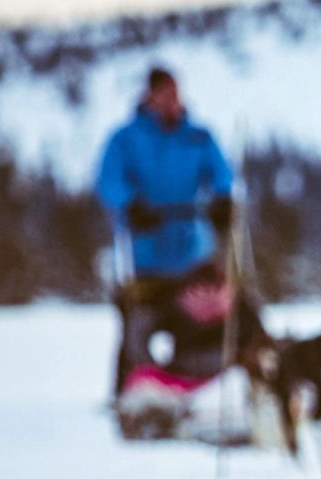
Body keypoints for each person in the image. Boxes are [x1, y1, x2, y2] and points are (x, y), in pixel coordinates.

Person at [94, 67, 239, 400]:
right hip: (145, 255)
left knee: (199, 320)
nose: (172, 101)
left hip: (191, 252)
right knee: (137, 324)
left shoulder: (198, 137)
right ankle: (129, 391)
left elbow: (222, 173)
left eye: (175, 93)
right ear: (150, 96)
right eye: (165, 94)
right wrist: (130, 204)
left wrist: (222, 198)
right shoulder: (126, 139)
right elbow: (108, 180)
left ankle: (189, 384)